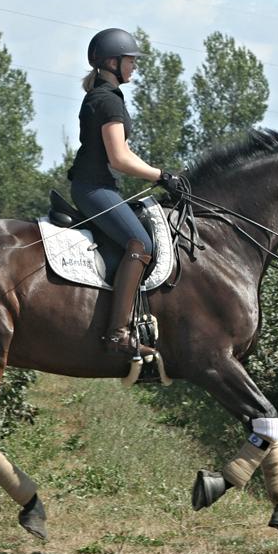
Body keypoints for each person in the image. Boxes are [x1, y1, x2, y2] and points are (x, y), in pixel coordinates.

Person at [67, 27, 185, 356]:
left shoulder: (107, 97)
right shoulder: (106, 100)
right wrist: (161, 175)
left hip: (100, 187)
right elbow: (119, 158)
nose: (135, 66)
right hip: (94, 189)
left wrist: (163, 174)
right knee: (141, 243)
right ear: (111, 62)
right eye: (130, 60)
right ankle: (117, 333)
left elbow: (126, 155)